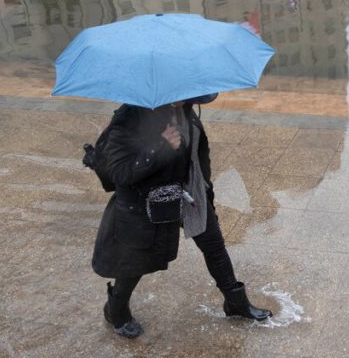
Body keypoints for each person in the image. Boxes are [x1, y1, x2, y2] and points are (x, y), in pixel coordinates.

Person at [91, 94, 272, 338]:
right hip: (146, 201)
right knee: (136, 261)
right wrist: (159, 147)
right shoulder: (130, 116)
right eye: (176, 96)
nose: (181, 100)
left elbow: (196, 147)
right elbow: (120, 173)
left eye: (186, 94)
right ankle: (116, 310)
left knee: (213, 244)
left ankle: (235, 303)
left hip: (188, 191)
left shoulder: (186, 107)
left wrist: (204, 189)